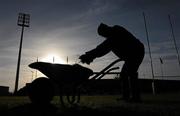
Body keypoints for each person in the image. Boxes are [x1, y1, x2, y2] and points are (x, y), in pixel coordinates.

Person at [79, 23, 145, 102]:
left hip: (136, 51)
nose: (105, 37)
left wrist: (89, 56)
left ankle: (136, 98)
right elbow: (103, 48)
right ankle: (126, 96)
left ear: (106, 29)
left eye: (104, 35)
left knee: (131, 73)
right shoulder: (112, 36)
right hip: (130, 55)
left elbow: (102, 48)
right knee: (124, 75)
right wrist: (90, 56)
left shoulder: (115, 32)